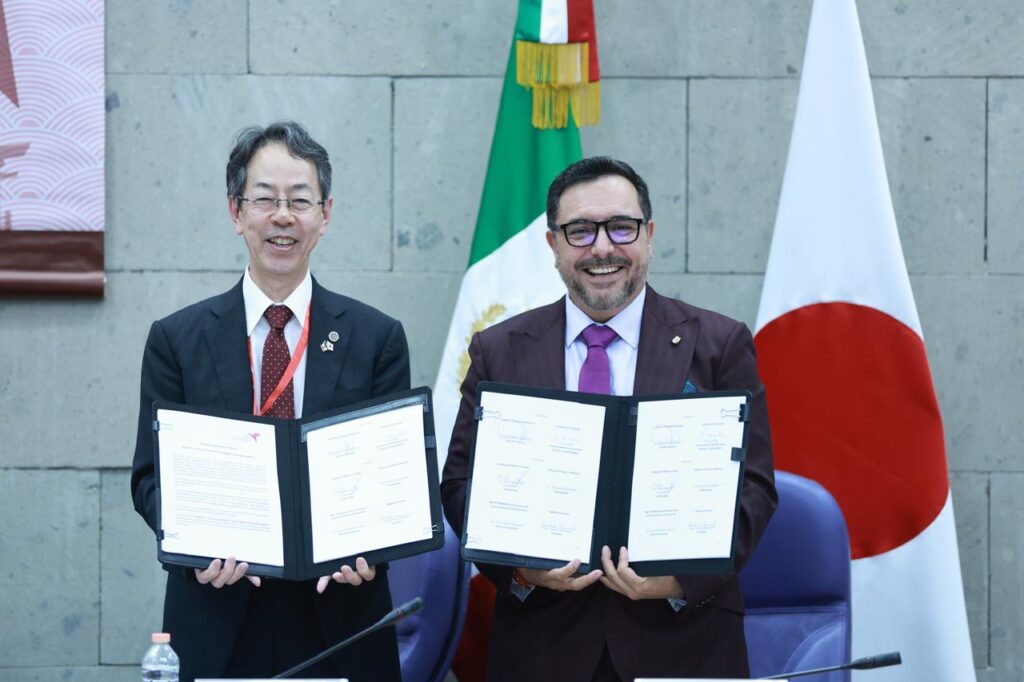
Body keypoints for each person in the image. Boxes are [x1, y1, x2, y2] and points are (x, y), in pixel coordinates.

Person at [441, 156, 777, 681]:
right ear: (552, 245)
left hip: (681, 645)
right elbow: (460, 484)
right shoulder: (499, 351)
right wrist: (523, 570)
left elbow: (754, 488)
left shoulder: (718, 345)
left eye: (621, 227)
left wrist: (675, 582)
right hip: (541, 649)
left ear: (649, 236)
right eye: (580, 231)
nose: (602, 248)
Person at [130, 121, 407, 682]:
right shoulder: (177, 339)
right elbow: (148, 479)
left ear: (325, 216)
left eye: (300, 201)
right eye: (264, 200)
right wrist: (196, 542)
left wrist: (370, 549)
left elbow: (393, 474)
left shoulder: (377, 337)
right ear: (237, 213)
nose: (283, 216)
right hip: (217, 613)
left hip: (342, 616)